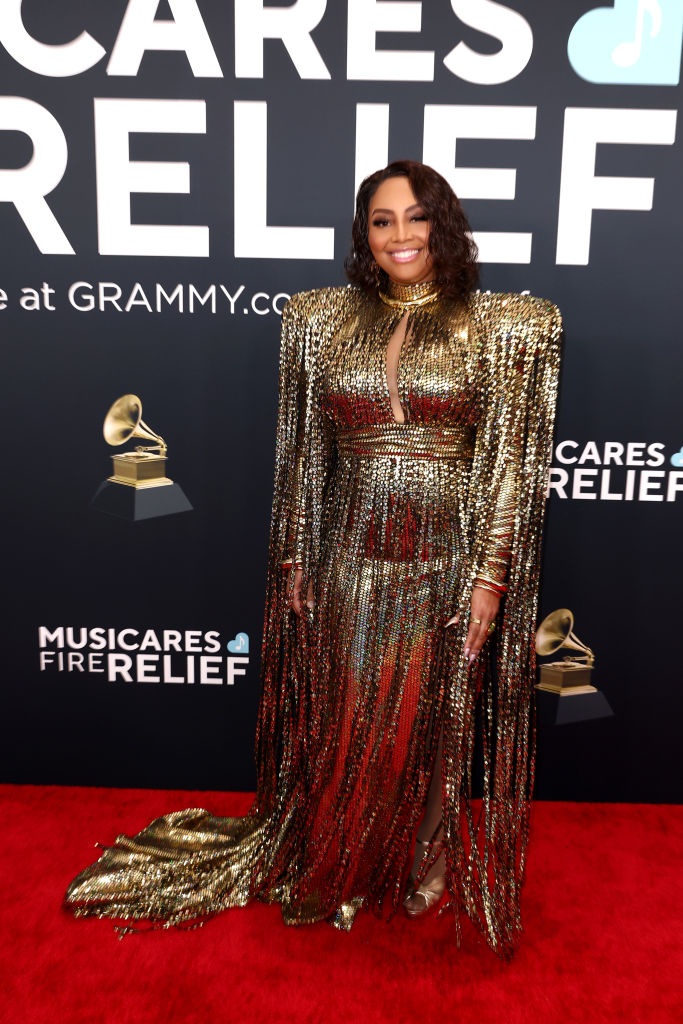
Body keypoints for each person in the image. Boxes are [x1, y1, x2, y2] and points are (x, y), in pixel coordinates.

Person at [65, 161, 562, 959]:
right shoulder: (322, 321)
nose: (400, 235)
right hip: (349, 552)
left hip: (444, 553)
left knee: (433, 713)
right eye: (381, 221)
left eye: (416, 217)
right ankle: (347, 851)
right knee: (348, 712)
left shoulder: (504, 327)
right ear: (363, 235)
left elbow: (506, 465)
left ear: (444, 224)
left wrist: (489, 576)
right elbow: (302, 454)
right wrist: (296, 556)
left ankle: (425, 849)